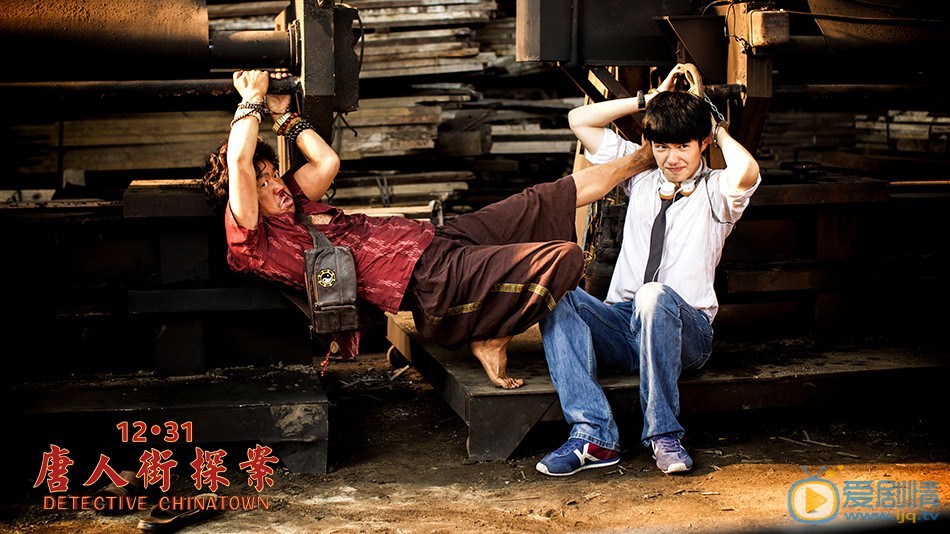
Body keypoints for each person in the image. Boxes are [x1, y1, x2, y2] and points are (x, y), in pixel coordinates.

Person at [201, 70, 659, 389]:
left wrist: (283, 114)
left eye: (273, 174)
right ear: (243, 196)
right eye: (262, 183)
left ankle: (643, 158)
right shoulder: (254, 239)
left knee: (540, 199)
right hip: (434, 284)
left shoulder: (294, 203)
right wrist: (251, 98)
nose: (276, 185)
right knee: (565, 257)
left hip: (437, 241)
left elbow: (327, 162)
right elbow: (239, 161)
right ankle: (491, 334)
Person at [535, 64, 761, 476]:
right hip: (623, 325)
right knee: (556, 293)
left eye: (683, 146)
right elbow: (579, 120)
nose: (671, 158)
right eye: (661, 147)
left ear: (702, 143)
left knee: (653, 295)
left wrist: (713, 120)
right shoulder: (640, 178)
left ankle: (664, 435)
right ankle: (593, 435)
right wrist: (647, 99)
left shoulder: (717, 191)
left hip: (686, 330)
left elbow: (747, 171)